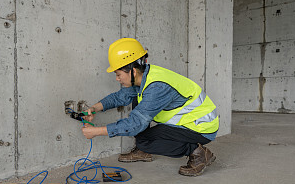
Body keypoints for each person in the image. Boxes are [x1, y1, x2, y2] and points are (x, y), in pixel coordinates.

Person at [81, 38, 218, 176]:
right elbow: (120, 96)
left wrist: (96, 131)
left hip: (201, 126)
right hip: (187, 121)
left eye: (118, 74)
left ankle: (198, 152)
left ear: (132, 71)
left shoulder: (157, 87)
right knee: (136, 98)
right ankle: (144, 151)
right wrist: (94, 108)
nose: (117, 78)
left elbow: (135, 124)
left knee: (145, 142)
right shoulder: (145, 76)